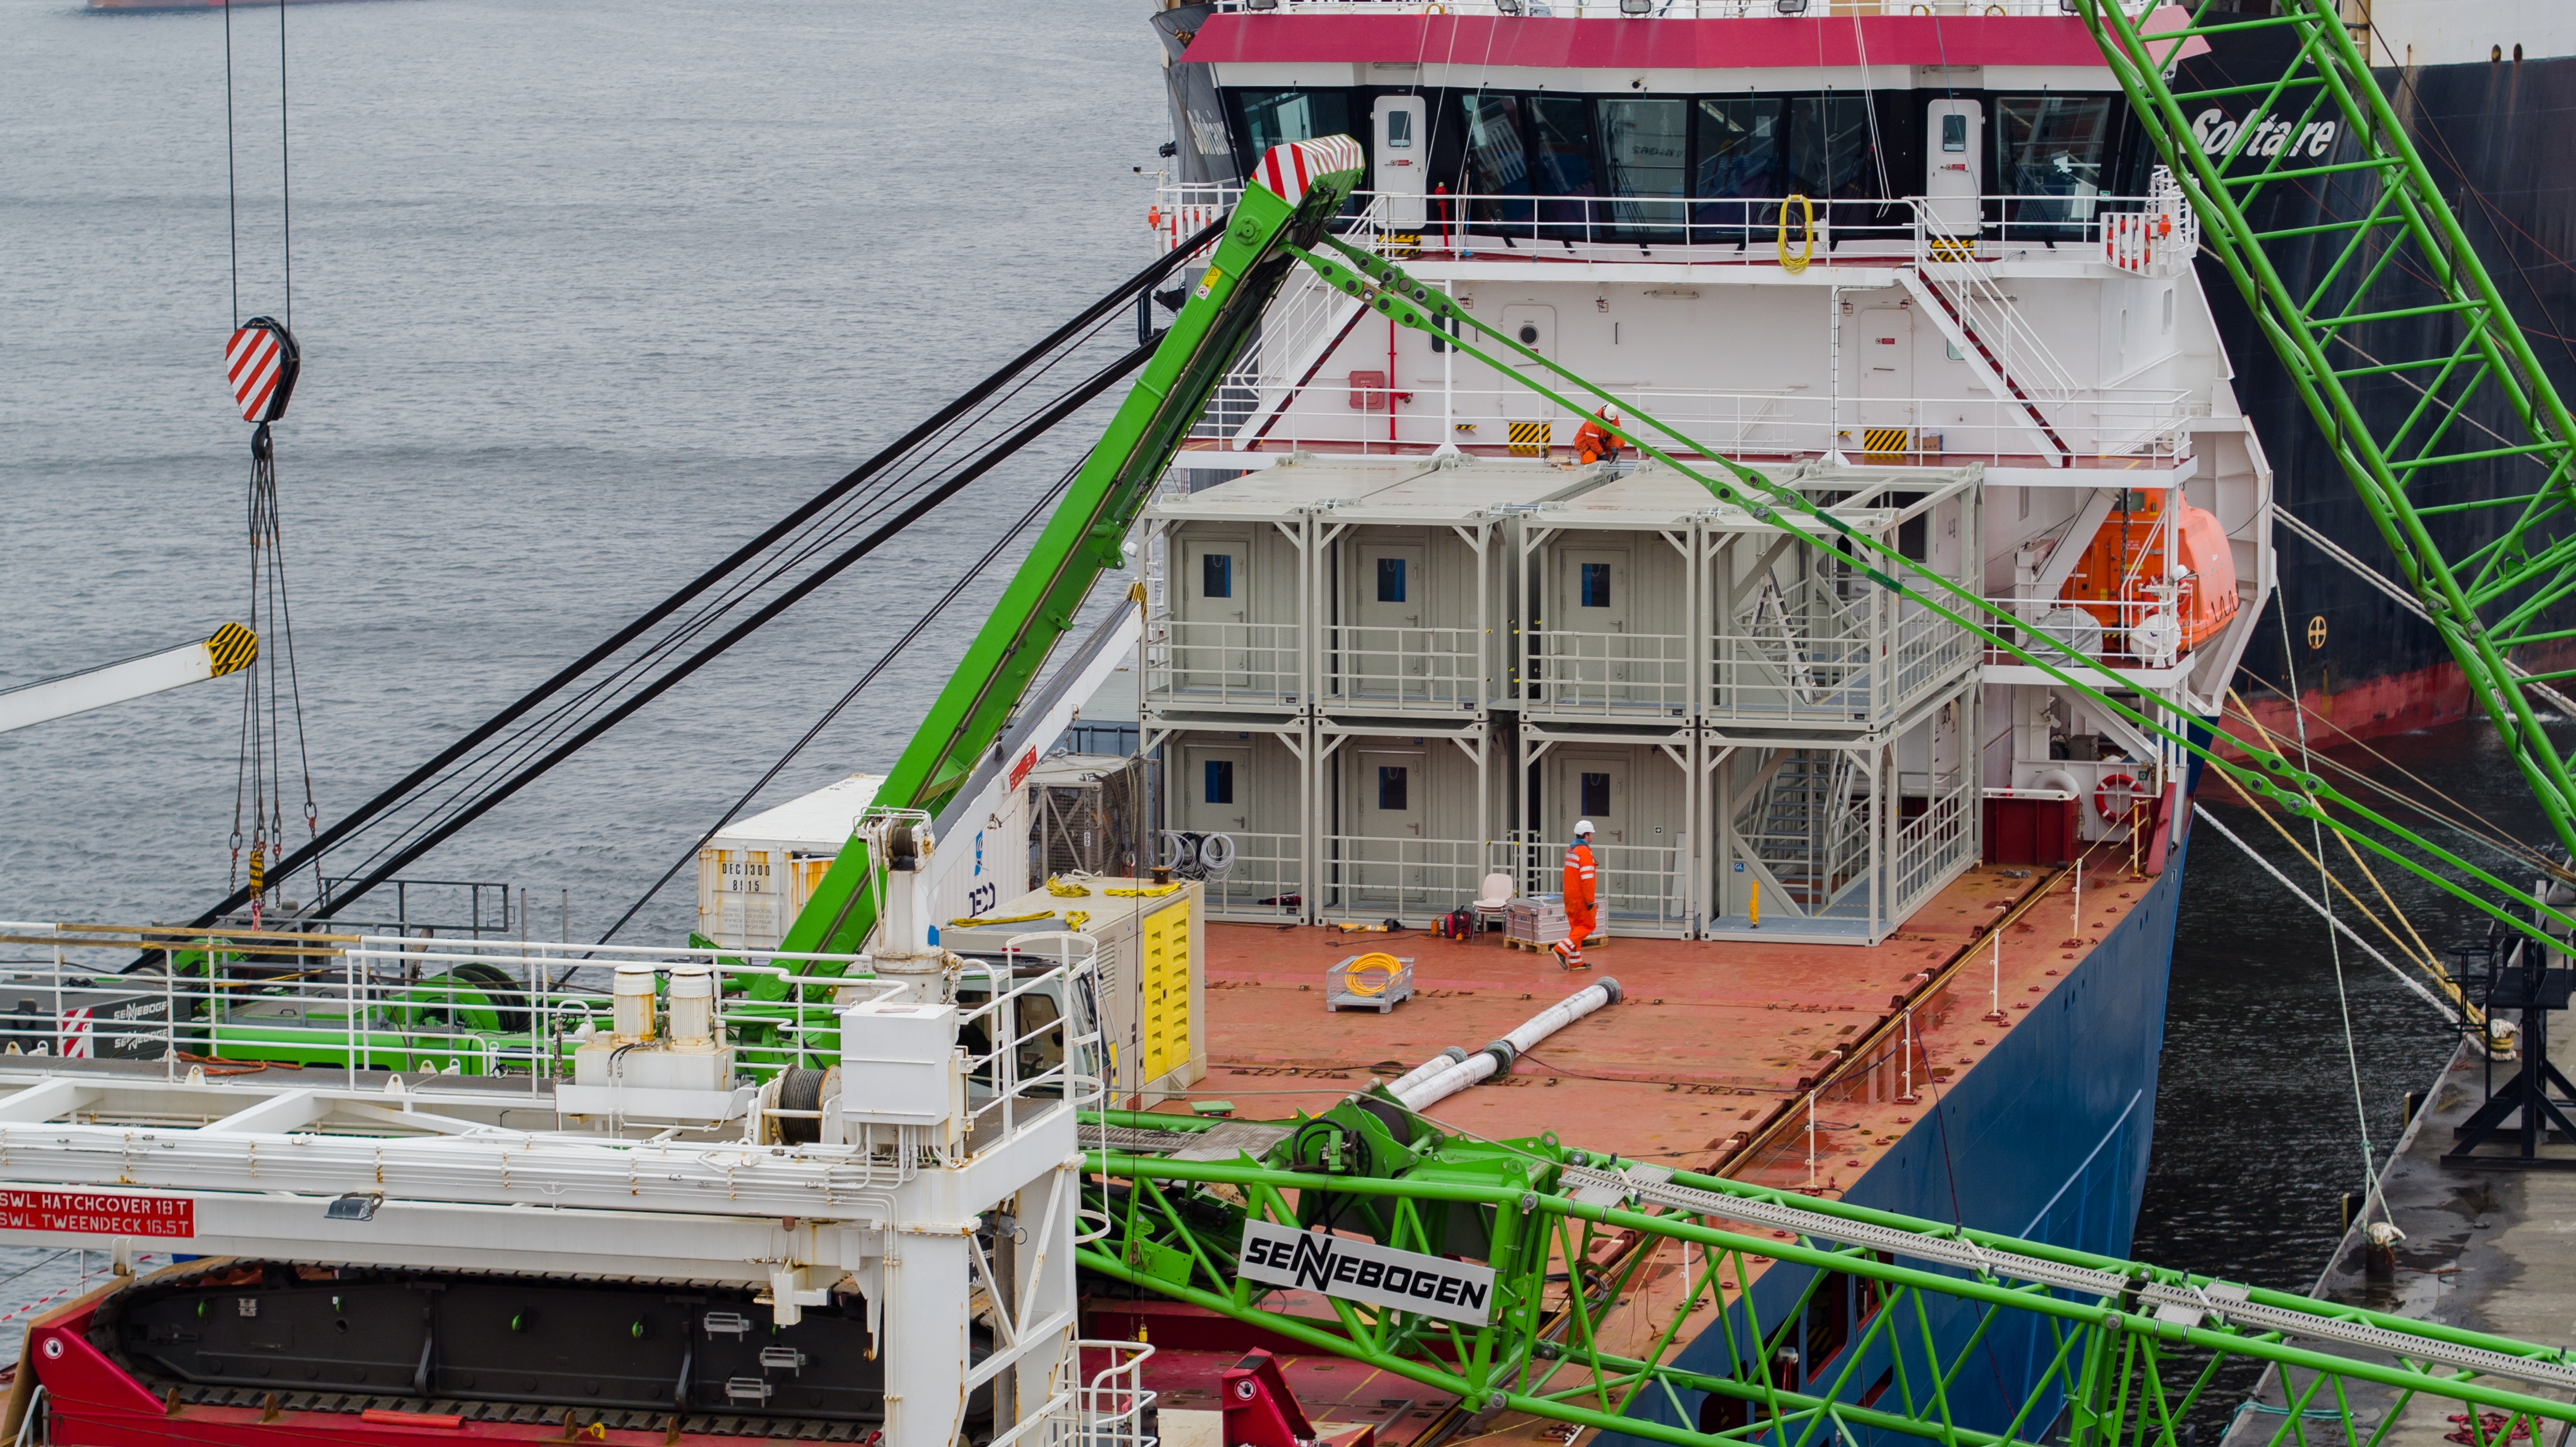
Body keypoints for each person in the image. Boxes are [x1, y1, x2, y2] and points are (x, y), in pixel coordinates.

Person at [1554, 820, 1598, 970]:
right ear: (1586, 835)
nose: (1592, 836)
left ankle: (1575, 960)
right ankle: (1561, 949)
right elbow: (1587, 878)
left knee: (1576, 928)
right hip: (1581, 897)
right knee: (1588, 926)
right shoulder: (1584, 852)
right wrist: (1590, 900)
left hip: (1569, 895)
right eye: (1591, 834)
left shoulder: (1571, 850)